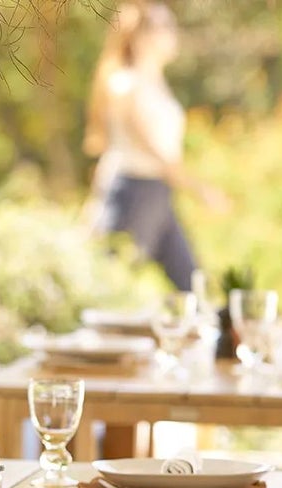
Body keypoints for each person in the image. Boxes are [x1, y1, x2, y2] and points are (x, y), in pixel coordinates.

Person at [83, 1, 225, 291]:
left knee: (192, 284)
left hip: (158, 194)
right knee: (109, 289)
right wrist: (201, 191)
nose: (174, 34)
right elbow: (153, 153)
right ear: (142, 36)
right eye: (166, 27)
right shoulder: (125, 84)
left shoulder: (156, 84)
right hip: (133, 194)